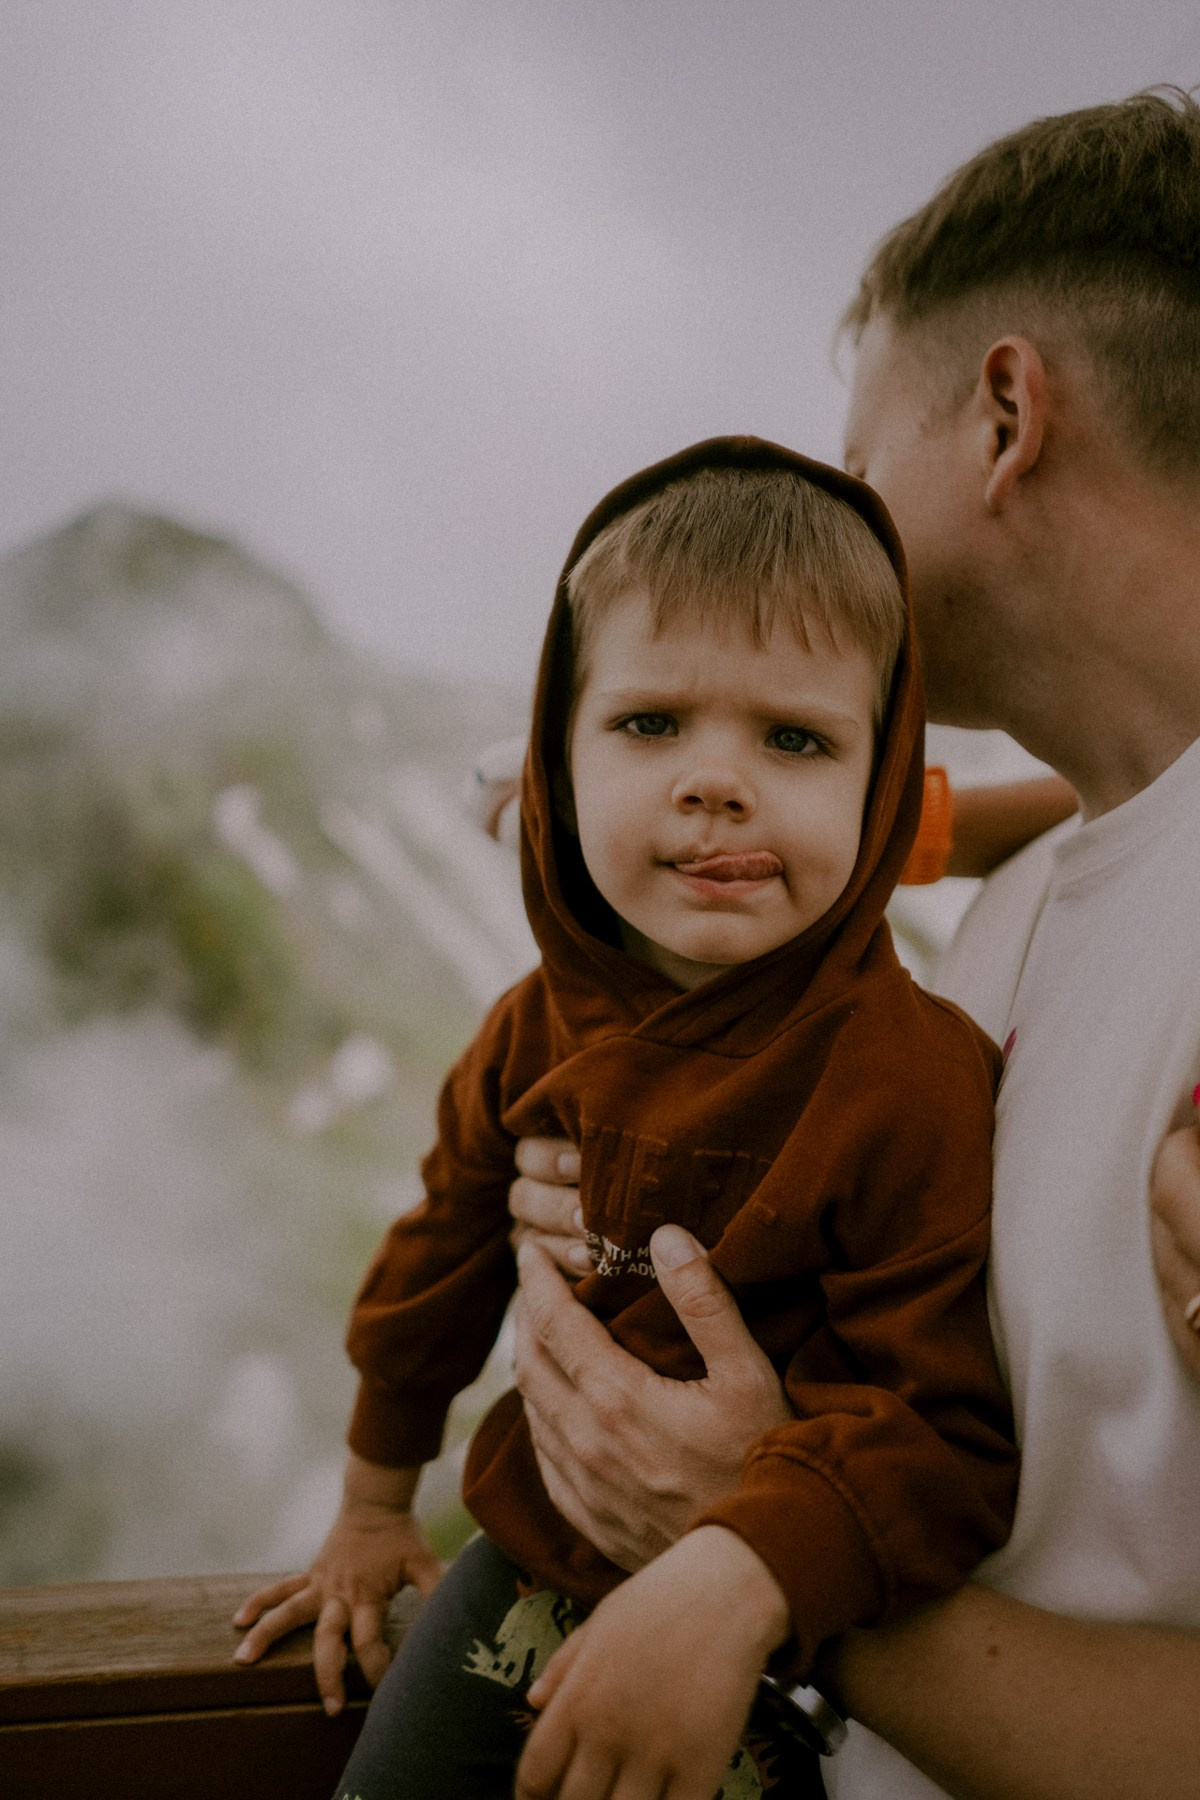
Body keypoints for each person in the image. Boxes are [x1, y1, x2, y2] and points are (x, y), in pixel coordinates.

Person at [506, 88, 1200, 1799]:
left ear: (1005, 414)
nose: (836, 518)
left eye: (858, 454)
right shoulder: (1032, 901)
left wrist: (753, 1544)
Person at [235, 437, 1018, 1798]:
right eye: (652, 724)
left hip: (794, 1633)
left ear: (884, 782)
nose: (718, 781)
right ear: (559, 755)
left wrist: (749, 1571)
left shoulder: (912, 1077)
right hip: (528, 1554)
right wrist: (370, 1508)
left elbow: (939, 1431)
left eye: (796, 738)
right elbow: (438, 1264)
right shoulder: (534, 1027)